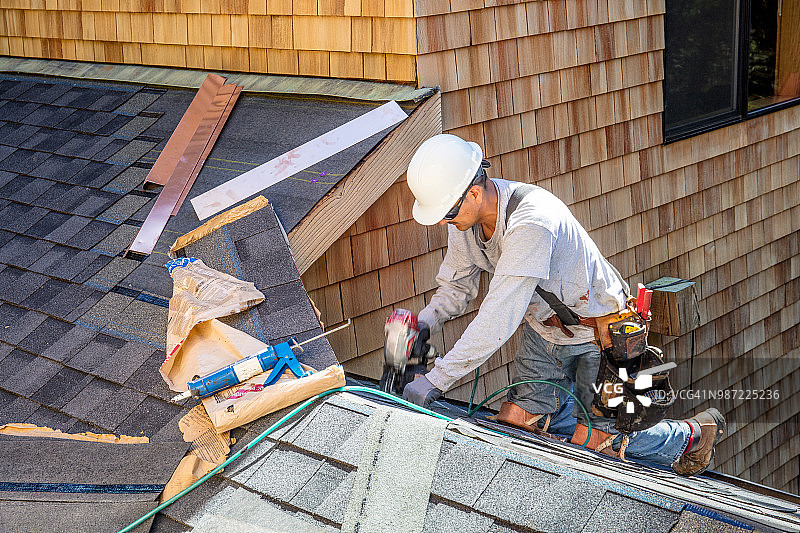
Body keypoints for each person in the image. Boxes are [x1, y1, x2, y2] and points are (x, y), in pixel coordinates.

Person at [398, 133, 725, 476]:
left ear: (474, 193)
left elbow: (497, 318)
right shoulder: (464, 220)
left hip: (602, 336)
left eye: (447, 213)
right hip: (545, 332)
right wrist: (423, 325)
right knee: (517, 422)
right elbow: (455, 286)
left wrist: (435, 381)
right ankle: (580, 416)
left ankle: (691, 435)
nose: (442, 222)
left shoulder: (533, 222)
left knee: (595, 445)